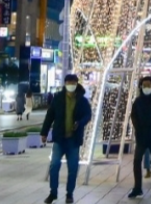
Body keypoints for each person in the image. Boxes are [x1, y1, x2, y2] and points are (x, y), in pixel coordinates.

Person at [40, 74, 92, 204]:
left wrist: (80, 123)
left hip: (73, 140)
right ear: (65, 83)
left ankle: (69, 194)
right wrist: (44, 132)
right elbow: (50, 115)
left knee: (73, 168)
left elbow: (88, 115)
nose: (71, 85)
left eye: (73, 83)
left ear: (76, 84)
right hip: (59, 139)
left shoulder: (82, 100)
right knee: (54, 165)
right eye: (68, 82)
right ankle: (53, 193)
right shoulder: (58, 98)